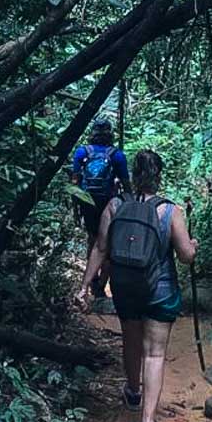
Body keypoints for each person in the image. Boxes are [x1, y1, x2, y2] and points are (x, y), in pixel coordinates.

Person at [78, 149, 198, 422]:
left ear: (132, 175)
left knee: (130, 341)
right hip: (160, 290)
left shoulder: (115, 205)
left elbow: (101, 248)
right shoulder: (170, 211)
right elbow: (186, 257)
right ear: (159, 177)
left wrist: (84, 285)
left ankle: (132, 393)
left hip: (124, 287)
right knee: (154, 353)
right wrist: (193, 245)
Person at [71, 117, 130, 297]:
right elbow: (126, 183)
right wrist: (131, 204)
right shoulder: (116, 155)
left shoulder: (82, 152)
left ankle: (92, 279)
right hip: (108, 202)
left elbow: (75, 181)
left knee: (93, 239)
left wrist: (75, 207)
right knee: (108, 242)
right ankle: (100, 286)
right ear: (110, 133)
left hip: (87, 200)